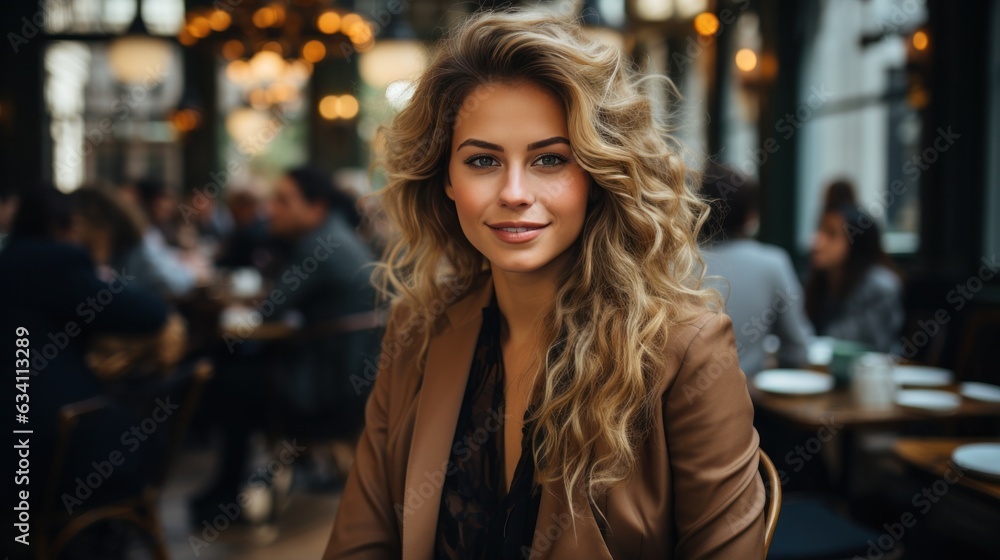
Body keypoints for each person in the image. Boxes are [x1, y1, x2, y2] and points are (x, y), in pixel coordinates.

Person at [322, 9, 765, 559]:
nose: (513, 191)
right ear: (447, 182)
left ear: (599, 178)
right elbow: (361, 543)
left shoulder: (686, 350)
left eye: (550, 159)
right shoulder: (418, 330)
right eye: (483, 160)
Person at [191, 166, 381, 522]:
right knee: (238, 370)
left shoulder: (319, 245)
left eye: (283, 200)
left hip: (325, 392)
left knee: (229, 380)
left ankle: (226, 495)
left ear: (316, 208)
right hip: (351, 384)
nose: (271, 209)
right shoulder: (338, 236)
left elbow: (272, 311)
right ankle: (226, 490)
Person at [700, 163, 814, 374]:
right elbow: (797, 346)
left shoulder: (672, 266)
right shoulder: (773, 263)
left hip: (677, 401)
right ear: (750, 217)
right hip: (749, 397)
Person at [805, 203, 904, 354]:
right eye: (819, 230)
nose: (817, 241)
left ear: (856, 243)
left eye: (831, 234)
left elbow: (866, 343)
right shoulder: (822, 281)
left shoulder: (881, 286)